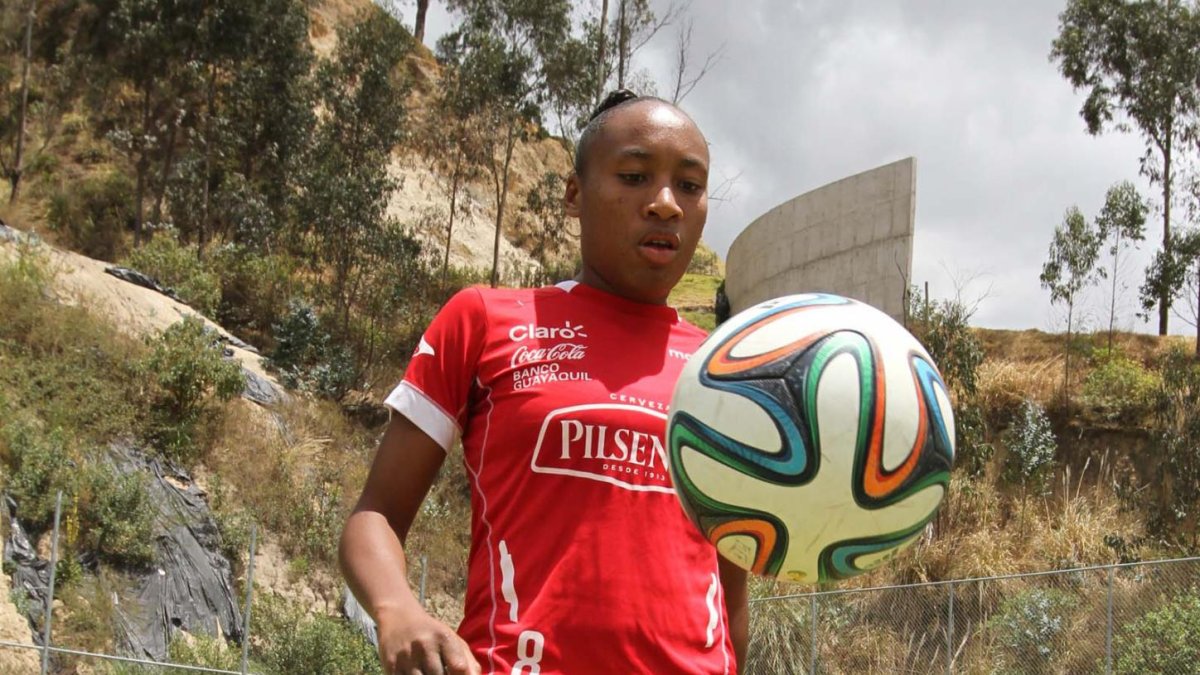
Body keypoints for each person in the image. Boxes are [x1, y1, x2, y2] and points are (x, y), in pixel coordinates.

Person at [339, 90, 749, 675]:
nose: (665, 204)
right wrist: (398, 610)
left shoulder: (726, 369)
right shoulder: (483, 319)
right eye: (634, 176)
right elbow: (374, 513)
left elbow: (731, 587)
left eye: (689, 185)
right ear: (574, 196)